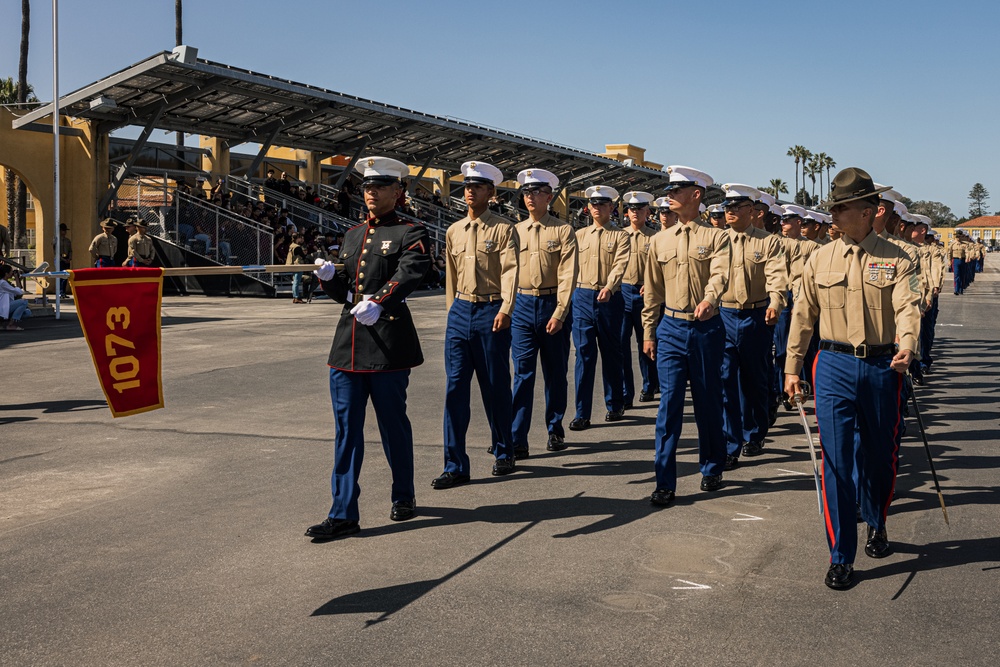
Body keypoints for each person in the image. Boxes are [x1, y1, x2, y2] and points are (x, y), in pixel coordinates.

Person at [784, 167, 921, 590]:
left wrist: (908, 344)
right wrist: (791, 367)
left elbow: (908, 305)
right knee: (837, 462)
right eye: (833, 208)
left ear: (869, 211)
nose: (834, 216)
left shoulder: (899, 257)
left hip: (883, 366)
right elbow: (803, 315)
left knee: (880, 456)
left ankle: (876, 520)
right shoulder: (818, 258)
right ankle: (841, 554)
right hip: (833, 366)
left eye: (841, 208)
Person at [305, 156, 431, 541]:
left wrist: (379, 301)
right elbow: (347, 291)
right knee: (347, 432)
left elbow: (412, 272)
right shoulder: (354, 234)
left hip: (389, 344)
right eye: (366, 187)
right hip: (348, 347)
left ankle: (404, 494)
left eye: (379, 186)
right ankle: (343, 512)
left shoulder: (412, 231)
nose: (371, 192)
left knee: (393, 426)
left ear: (398, 191)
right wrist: (328, 279)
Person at [642, 165, 730, 506]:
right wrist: (649, 332)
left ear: (696, 194)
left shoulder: (716, 237)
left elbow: (721, 274)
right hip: (671, 328)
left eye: (677, 190)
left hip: (706, 329)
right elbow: (651, 291)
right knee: (669, 407)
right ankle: (665, 480)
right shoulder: (658, 241)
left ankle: (711, 466)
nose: (670, 195)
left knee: (708, 401)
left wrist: (710, 298)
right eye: (670, 190)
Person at [433, 160, 519, 489]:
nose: (470, 191)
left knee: (494, 385)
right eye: (467, 186)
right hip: (461, 313)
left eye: (477, 186)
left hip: (491, 310)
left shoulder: (503, 229)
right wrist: (452, 311)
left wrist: (507, 308)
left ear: (491, 192)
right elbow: (451, 277)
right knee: (455, 388)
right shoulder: (454, 230)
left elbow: (511, 270)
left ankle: (503, 450)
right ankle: (455, 464)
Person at [716, 185, 787, 468]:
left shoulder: (768, 243)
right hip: (723, 316)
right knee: (725, 382)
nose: (730, 212)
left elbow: (777, 277)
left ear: (752, 210)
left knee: (754, 381)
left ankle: (755, 434)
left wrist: (776, 302)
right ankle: (730, 444)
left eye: (736, 207)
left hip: (756, 317)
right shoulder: (718, 240)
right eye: (727, 207)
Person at [510, 168, 578, 458]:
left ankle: (554, 428)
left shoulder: (562, 231)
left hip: (552, 305)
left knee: (555, 373)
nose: (530, 197)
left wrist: (561, 312)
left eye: (536, 192)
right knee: (522, 374)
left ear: (549, 196)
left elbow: (567, 274)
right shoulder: (514, 231)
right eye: (526, 192)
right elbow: (507, 272)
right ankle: (517, 437)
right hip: (522, 307)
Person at [569, 185, 630, 430]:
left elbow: (620, 263)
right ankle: (581, 412)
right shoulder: (579, 235)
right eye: (593, 204)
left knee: (611, 352)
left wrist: (611, 285)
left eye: (602, 204)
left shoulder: (620, 236)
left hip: (609, 299)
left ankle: (614, 403)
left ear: (612, 208)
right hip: (582, 296)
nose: (597, 208)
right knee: (583, 354)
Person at [620, 191, 659, 408]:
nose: (635, 213)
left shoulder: (655, 237)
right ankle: (627, 393)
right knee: (622, 345)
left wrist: (651, 283)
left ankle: (649, 384)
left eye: (640, 209)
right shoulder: (620, 235)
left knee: (646, 342)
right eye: (632, 209)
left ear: (647, 212)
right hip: (623, 291)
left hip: (645, 294)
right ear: (627, 212)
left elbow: (659, 267)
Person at [1, 264, 31, 331]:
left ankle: (3, 324)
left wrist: (17, 278)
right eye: (11, 272)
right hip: (3, 307)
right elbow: (19, 291)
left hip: (7, 306)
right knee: (24, 301)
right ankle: (11, 325)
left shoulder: (6, 283)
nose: (12, 273)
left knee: (27, 312)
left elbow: (18, 293)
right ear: (6, 274)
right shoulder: (2, 283)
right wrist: (17, 278)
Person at [286, 232, 307, 304]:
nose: (301, 239)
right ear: (297, 238)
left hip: (292, 264)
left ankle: (295, 297)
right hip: (298, 265)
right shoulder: (297, 247)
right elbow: (303, 256)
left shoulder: (291, 245)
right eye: (300, 238)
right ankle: (296, 297)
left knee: (295, 281)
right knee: (296, 282)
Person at [54, 223, 72, 297]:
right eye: (62, 230)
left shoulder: (68, 241)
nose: (64, 232)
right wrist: (63, 259)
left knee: (65, 276)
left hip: (66, 258)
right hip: (59, 259)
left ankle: (63, 292)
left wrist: (69, 258)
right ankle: (59, 292)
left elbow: (70, 250)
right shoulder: (56, 240)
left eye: (65, 231)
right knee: (60, 276)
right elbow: (55, 252)